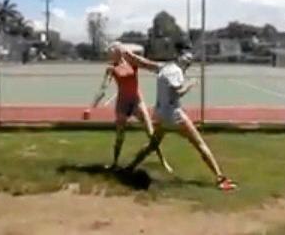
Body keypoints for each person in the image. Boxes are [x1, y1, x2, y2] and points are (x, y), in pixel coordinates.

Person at [119, 47, 237, 191]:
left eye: (190, 60)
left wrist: (126, 54)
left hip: (160, 115)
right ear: (179, 57)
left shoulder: (164, 67)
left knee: (152, 144)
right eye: (187, 59)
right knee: (199, 144)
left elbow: (143, 63)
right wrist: (191, 84)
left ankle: (129, 168)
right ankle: (220, 179)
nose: (188, 61)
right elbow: (177, 92)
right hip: (174, 116)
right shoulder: (177, 72)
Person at [84, 43, 173, 173]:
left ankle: (163, 161)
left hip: (137, 101)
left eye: (112, 51)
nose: (110, 54)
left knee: (151, 133)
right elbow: (103, 89)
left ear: (118, 51)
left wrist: (166, 67)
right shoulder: (111, 68)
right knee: (120, 136)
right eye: (110, 52)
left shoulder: (131, 61)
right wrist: (90, 108)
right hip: (122, 103)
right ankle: (115, 163)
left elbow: (147, 64)